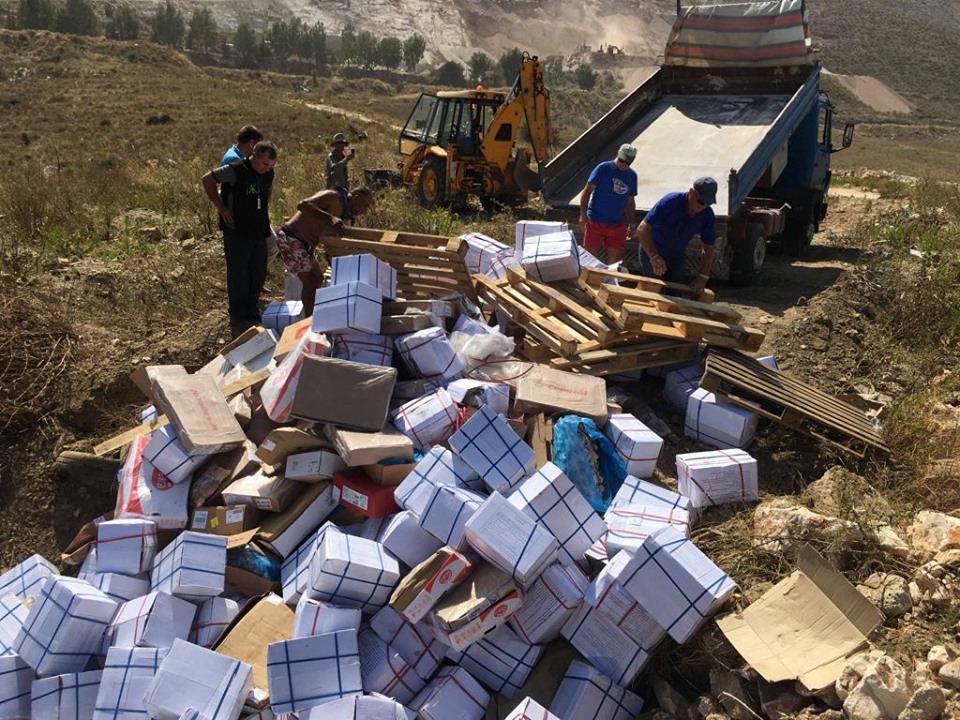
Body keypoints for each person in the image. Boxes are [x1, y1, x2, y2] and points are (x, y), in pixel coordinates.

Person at [201, 141, 278, 338]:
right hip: (237, 230)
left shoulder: (268, 173)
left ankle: (251, 311)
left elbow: (266, 191)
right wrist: (222, 208)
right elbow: (207, 179)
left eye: (270, 166)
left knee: (258, 272)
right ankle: (237, 316)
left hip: (259, 229)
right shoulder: (235, 169)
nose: (266, 169)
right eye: (263, 164)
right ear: (254, 156)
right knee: (238, 274)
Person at [275, 187, 375, 316]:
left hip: (306, 246)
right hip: (291, 238)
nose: (365, 211)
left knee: (318, 278)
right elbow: (302, 205)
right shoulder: (332, 196)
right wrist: (330, 218)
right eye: (364, 205)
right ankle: (309, 322)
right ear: (355, 198)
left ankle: (315, 315)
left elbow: (330, 243)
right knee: (310, 282)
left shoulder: (343, 215)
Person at [636, 176, 718, 293]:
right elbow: (642, 229)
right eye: (701, 201)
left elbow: (709, 248)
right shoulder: (671, 202)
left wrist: (703, 277)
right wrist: (654, 257)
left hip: (676, 256)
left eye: (708, 203)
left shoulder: (707, 215)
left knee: (675, 293)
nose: (703, 206)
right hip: (653, 251)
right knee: (654, 290)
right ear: (691, 193)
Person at [578, 143, 638, 264]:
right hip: (595, 222)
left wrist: (631, 223)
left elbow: (630, 202)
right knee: (588, 259)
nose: (624, 165)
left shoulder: (632, 176)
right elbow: (587, 191)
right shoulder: (603, 169)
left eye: (628, 163)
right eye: (622, 161)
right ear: (618, 155)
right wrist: (583, 215)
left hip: (617, 224)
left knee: (615, 262)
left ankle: (610, 281)